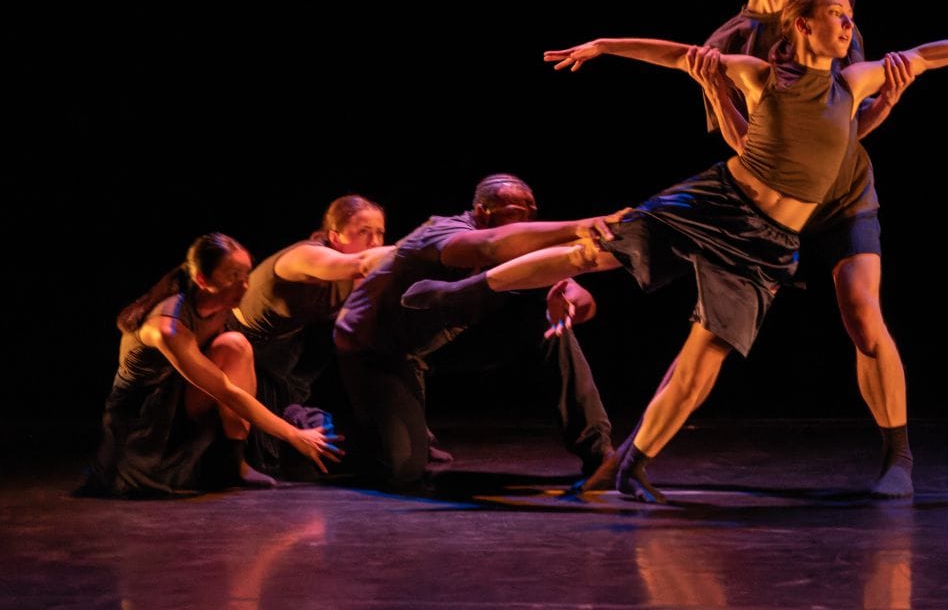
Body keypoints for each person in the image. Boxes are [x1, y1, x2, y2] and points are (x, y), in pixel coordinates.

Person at [403, 0, 948, 502]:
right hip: (716, 201)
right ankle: (457, 288)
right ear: (801, 25)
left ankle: (632, 465)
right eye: (833, 14)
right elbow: (678, 55)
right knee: (595, 251)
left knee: (709, 349)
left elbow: (923, 57)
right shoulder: (764, 75)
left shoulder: (850, 84)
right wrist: (604, 43)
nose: (845, 25)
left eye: (847, 16)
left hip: (770, 242)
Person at [691, 0, 920, 496]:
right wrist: (716, 92)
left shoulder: (830, 15)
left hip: (844, 195)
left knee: (864, 314)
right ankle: (633, 455)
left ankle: (898, 459)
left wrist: (887, 103)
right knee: (713, 335)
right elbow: (750, 152)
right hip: (773, 212)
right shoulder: (731, 41)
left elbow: (846, 120)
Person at [333, 174, 622, 488]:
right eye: (514, 216)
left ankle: (598, 453)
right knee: (401, 470)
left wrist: (568, 301)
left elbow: (585, 303)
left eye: (530, 216)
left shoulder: (519, 245)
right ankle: (320, 425)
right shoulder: (443, 230)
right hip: (379, 351)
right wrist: (579, 226)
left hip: (442, 340)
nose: (524, 225)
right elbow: (489, 247)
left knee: (550, 328)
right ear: (483, 212)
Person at [83, 233, 342, 496]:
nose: (243, 285)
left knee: (235, 344)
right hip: (143, 418)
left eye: (246, 275)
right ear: (202, 280)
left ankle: (234, 463)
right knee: (232, 365)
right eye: (232, 275)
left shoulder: (224, 307)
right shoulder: (167, 327)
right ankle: (202, 464)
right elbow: (225, 390)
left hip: (181, 395)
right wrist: (293, 436)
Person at [230, 194, 393, 479]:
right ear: (335, 236)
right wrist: (427, 243)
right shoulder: (305, 255)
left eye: (379, 232)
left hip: (287, 352)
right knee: (265, 445)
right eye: (364, 232)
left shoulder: (361, 272)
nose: (374, 241)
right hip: (242, 343)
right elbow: (361, 263)